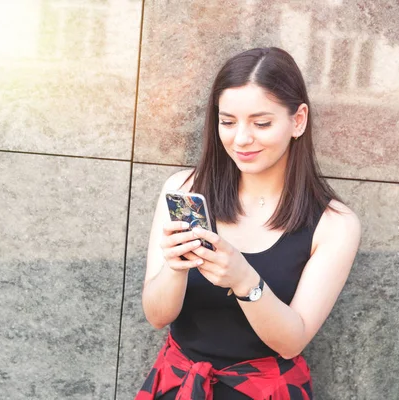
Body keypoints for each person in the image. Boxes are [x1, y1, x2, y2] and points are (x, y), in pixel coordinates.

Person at [136, 47, 361, 399]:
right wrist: (176, 268)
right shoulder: (183, 190)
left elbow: (292, 341)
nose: (241, 139)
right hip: (178, 384)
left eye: (261, 123)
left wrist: (243, 279)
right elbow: (157, 316)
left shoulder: (335, 224)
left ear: (298, 120)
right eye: (227, 121)